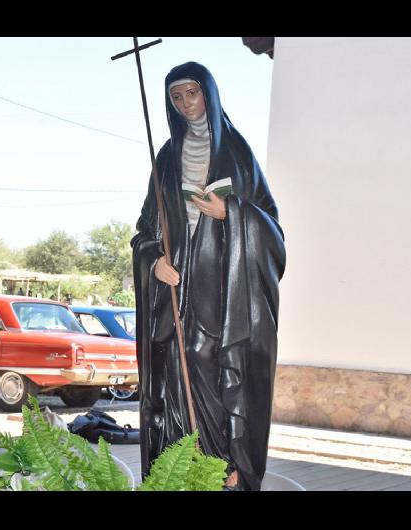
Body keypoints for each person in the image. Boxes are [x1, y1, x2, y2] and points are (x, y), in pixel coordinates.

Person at [131, 62, 285, 491]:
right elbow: (145, 229)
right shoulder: (165, 158)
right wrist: (153, 260)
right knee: (177, 382)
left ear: (209, 95)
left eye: (191, 94)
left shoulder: (237, 153)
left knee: (221, 379)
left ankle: (225, 470)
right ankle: (181, 473)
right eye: (176, 98)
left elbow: (273, 230)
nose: (184, 105)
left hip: (224, 294)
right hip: (177, 296)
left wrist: (231, 213)